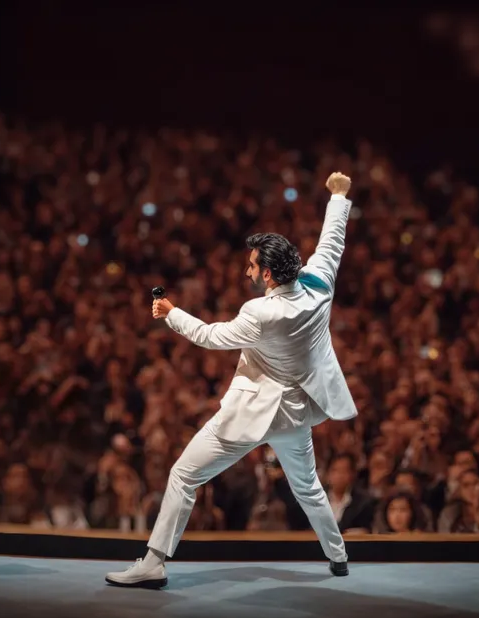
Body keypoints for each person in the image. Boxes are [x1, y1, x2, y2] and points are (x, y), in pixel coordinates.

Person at [105, 172, 357, 589]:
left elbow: (209, 336)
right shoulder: (320, 285)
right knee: (309, 487)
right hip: (295, 414)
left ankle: (153, 563)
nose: (247, 271)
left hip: (250, 415)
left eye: (253, 265)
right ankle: (339, 556)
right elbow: (332, 241)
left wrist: (171, 313)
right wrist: (339, 196)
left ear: (269, 275)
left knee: (184, 475)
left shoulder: (260, 313)